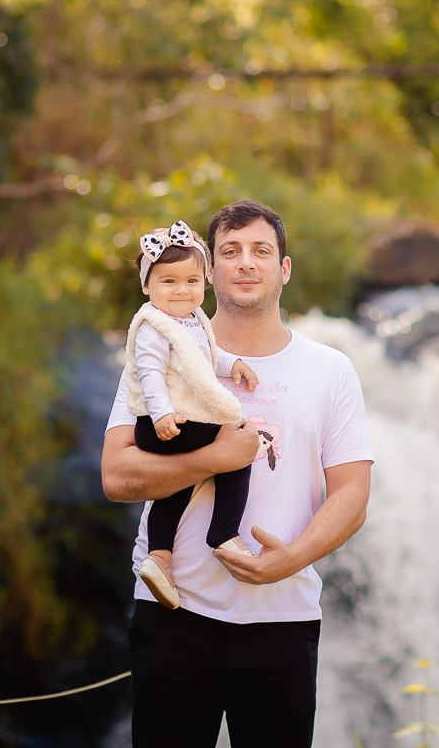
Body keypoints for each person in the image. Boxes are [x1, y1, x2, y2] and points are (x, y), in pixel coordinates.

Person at [101, 200, 374, 748]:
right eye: (229, 251)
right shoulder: (158, 350)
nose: (245, 263)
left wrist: (293, 558)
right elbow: (117, 474)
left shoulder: (331, 369)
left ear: (284, 268)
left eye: (261, 251)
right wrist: (215, 459)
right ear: (208, 269)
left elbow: (353, 494)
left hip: (284, 620)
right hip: (174, 614)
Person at [125, 219, 262, 611]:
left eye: (191, 281)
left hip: (172, 422)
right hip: (163, 422)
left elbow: (201, 360)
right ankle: (223, 533)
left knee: (178, 484)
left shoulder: (191, 322)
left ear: (205, 282)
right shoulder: (154, 325)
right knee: (237, 447)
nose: (182, 290)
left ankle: (159, 560)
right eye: (168, 282)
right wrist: (162, 414)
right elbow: (150, 373)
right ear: (147, 286)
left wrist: (232, 363)